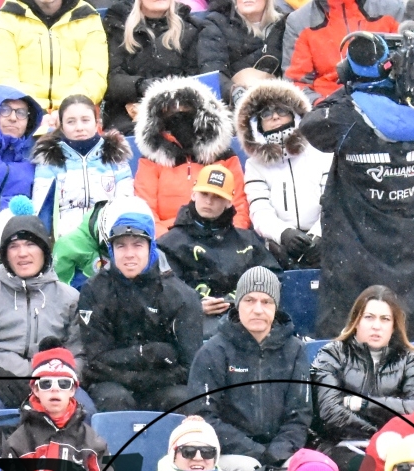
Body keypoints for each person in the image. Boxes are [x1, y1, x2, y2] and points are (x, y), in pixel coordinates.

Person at [301, 34, 414, 339]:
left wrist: (354, 90)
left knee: (352, 333)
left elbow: (310, 125)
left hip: (355, 257)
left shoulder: (344, 118)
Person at [186, 265, 310, 471]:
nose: (258, 310)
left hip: (280, 452)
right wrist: (256, 451)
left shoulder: (295, 351)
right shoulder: (213, 351)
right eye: (250, 300)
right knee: (250, 470)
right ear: (238, 304)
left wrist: (278, 452)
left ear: (276, 307)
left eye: (266, 302)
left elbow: (299, 415)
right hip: (228, 454)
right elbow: (204, 417)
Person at [74, 201, 203, 412]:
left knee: (181, 399)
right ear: (111, 249)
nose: (129, 254)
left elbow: (189, 367)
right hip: (112, 383)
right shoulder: (94, 290)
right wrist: (148, 353)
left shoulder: (181, 296)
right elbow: (96, 360)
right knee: (114, 399)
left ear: (151, 247)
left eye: (137, 245)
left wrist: (138, 373)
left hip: (164, 384)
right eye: (121, 246)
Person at [309, 286, 414, 471]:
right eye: (369, 317)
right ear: (356, 322)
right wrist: (378, 435)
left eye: (385, 319)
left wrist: (363, 404)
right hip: (341, 445)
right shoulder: (331, 354)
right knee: (370, 470)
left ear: (394, 326)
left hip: (398, 447)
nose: (376, 326)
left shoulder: (408, 359)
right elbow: (329, 413)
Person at [0, 213, 83, 413]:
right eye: (14, 246)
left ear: (44, 250)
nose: (22, 253)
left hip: (54, 381)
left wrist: (57, 381)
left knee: (84, 411)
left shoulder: (69, 297)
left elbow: (77, 354)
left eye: (30, 244)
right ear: (4, 254)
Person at [24, 95, 135, 274]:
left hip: (106, 236)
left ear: (97, 122)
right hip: (65, 241)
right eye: (71, 122)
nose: (79, 127)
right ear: (61, 125)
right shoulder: (49, 158)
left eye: (85, 120)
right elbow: (41, 207)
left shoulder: (114, 154)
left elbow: (125, 202)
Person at [160, 167, 281, 325]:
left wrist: (244, 300)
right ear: (194, 194)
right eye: (204, 194)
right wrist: (194, 305)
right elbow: (164, 291)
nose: (209, 201)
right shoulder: (169, 244)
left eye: (217, 196)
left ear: (229, 202)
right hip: (193, 323)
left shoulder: (247, 241)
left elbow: (273, 277)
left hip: (244, 320)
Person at [132, 75, 247, 237]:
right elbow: (146, 210)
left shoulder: (223, 156)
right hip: (168, 239)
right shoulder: (151, 159)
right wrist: (168, 242)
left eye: (186, 107)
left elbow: (239, 207)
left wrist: (227, 240)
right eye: (171, 110)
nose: (179, 114)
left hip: (218, 237)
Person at [233, 80, 329, 271]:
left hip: (327, 240)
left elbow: (333, 201)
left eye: (282, 110)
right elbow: (260, 210)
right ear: (257, 123)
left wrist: (318, 235)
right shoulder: (255, 165)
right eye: (266, 113)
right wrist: (284, 234)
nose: (275, 116)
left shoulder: (321, 150)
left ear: (294, 113)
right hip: (279, 247)